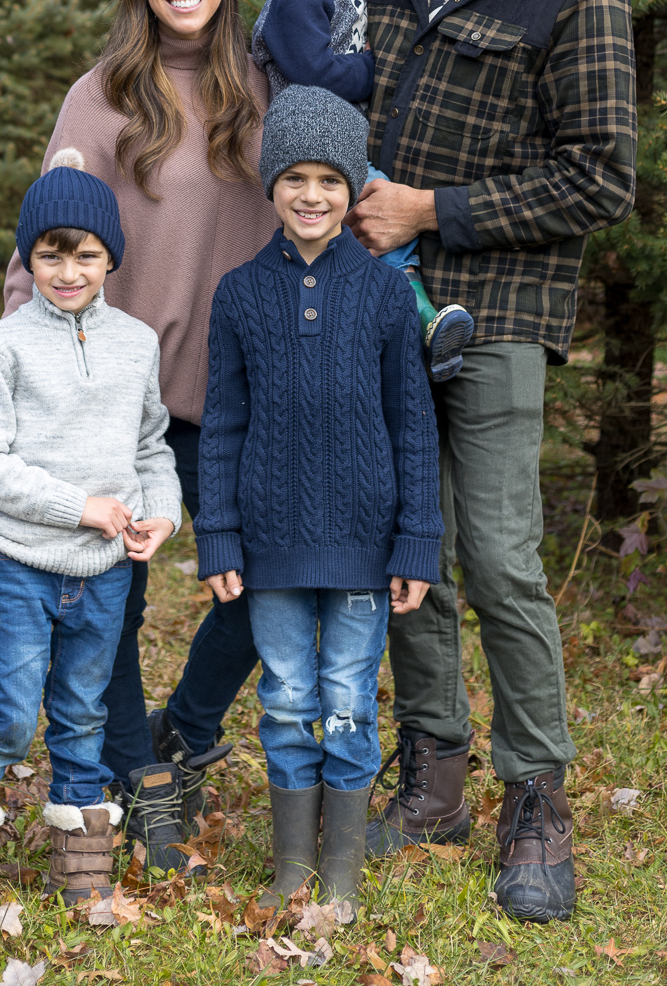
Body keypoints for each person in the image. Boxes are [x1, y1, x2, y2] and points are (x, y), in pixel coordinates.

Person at [350, 0, 637, 925]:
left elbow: (603, 173)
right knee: (403, 536)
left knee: (502, 551)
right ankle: (433, 772)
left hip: (503, 313)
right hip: (377, 301)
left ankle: (536, 798)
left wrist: (435, 210)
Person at [2, 0, 274, 871]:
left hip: (240, 401)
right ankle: (136, 767)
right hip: (122, 402)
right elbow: (43, 245)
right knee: (107, 601)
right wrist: (38, 374)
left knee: (274, 580)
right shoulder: (101, 96)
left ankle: (188, 728)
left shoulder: (267, 88)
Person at [195, 85, 441, 917]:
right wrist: (218, 535)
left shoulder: (379, 294)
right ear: (270, 186)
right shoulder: (238, 294)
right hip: (268, 546)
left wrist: (415, 544)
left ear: (352, 189)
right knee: (287, 696)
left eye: (329, 180)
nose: (310, 195)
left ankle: (341, 868)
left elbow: (412, 425)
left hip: (363, 544)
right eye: (293, 177)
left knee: (346, 697)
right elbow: (223, 426)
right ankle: (293, 864)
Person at [0, 156, 181, 901]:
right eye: (50, 255)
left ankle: (81, 855)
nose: (68, 272)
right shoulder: (2, 346)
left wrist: (160, 511)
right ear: (28, 257)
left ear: (110, 260)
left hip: (105, 567)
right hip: (25, 561)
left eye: (86, 255)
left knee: (81, 711)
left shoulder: (134, 342)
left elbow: (150, 444)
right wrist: (78, 507)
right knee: (8, 711)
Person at [251, 0, 474, 383]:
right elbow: (314, 70)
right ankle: (419, 319)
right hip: (306, 133)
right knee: (376, 206)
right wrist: (377, 70)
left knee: (375, 218)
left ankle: (413, 319)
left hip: (334, 134)